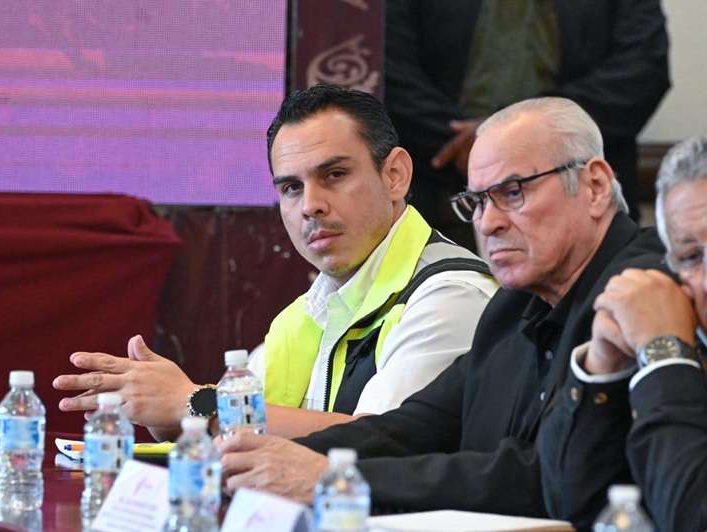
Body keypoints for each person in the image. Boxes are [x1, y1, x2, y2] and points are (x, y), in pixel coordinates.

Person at [216, 96, 667, 526]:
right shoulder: (513, 306)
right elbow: (412, 429)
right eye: (478, 201)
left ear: (595, 186)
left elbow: (545, 476)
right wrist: (274, 460)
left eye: (512, 193)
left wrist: (330, 477)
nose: (487, 223)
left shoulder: (645, 292)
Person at [53, 83, 497, 440]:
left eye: (334, 175)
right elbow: (232, 420)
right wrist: (164, 412)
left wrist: (195, 404)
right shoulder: (310, 311)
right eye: (291, 188)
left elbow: (383, 443)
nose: (310, 205)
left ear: (395, 175)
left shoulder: (450, 296)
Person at [385, 0, 670, 251]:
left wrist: (514, 138)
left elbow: (642, 72)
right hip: (437, 198)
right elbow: (387, 72)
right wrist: (473, 143)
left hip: (578, 201)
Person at [537, 133, 707, 531]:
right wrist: (604, 369)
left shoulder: (670, 356)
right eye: (692, 257)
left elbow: (692, 519)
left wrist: (665, 357)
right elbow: (571, 508)